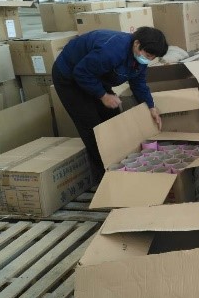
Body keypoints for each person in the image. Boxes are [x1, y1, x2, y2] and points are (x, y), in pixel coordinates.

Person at [52, 27, 169, 185]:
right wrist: (103, 95)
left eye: (152, 58)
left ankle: (121, 166)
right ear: (136, 44)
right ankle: (106, 180)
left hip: (94, 75)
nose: (148, 59)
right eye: (148, 55)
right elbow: (81, 72)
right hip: (70, 76)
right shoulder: (112, 51)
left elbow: (139, 83)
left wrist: (150, 107)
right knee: (93, 128)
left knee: (112, 117)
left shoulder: (140, 58)